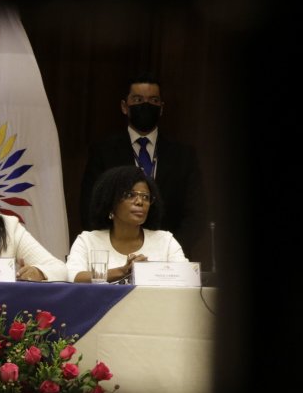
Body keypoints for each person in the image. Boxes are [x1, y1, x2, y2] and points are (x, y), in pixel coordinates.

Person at [78, 71, 208, 262]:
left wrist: (166, 252)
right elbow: (90, 208)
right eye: (138, 100)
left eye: (153, 100)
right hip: (115, 256)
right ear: (125, 106)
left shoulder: (183, 155)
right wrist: (115, 251)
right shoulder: (103, 152)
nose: (146, 105)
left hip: (169, 261)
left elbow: (196, 216)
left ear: (161, 108)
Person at [68, 165, 187, 283]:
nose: (140, 202)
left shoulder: (165, 241)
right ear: (110, 202)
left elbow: (186, 277)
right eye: (130, 195)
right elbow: (72, 277)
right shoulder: (88, 241)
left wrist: (150, 271)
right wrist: (123, 271)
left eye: (145, 197)